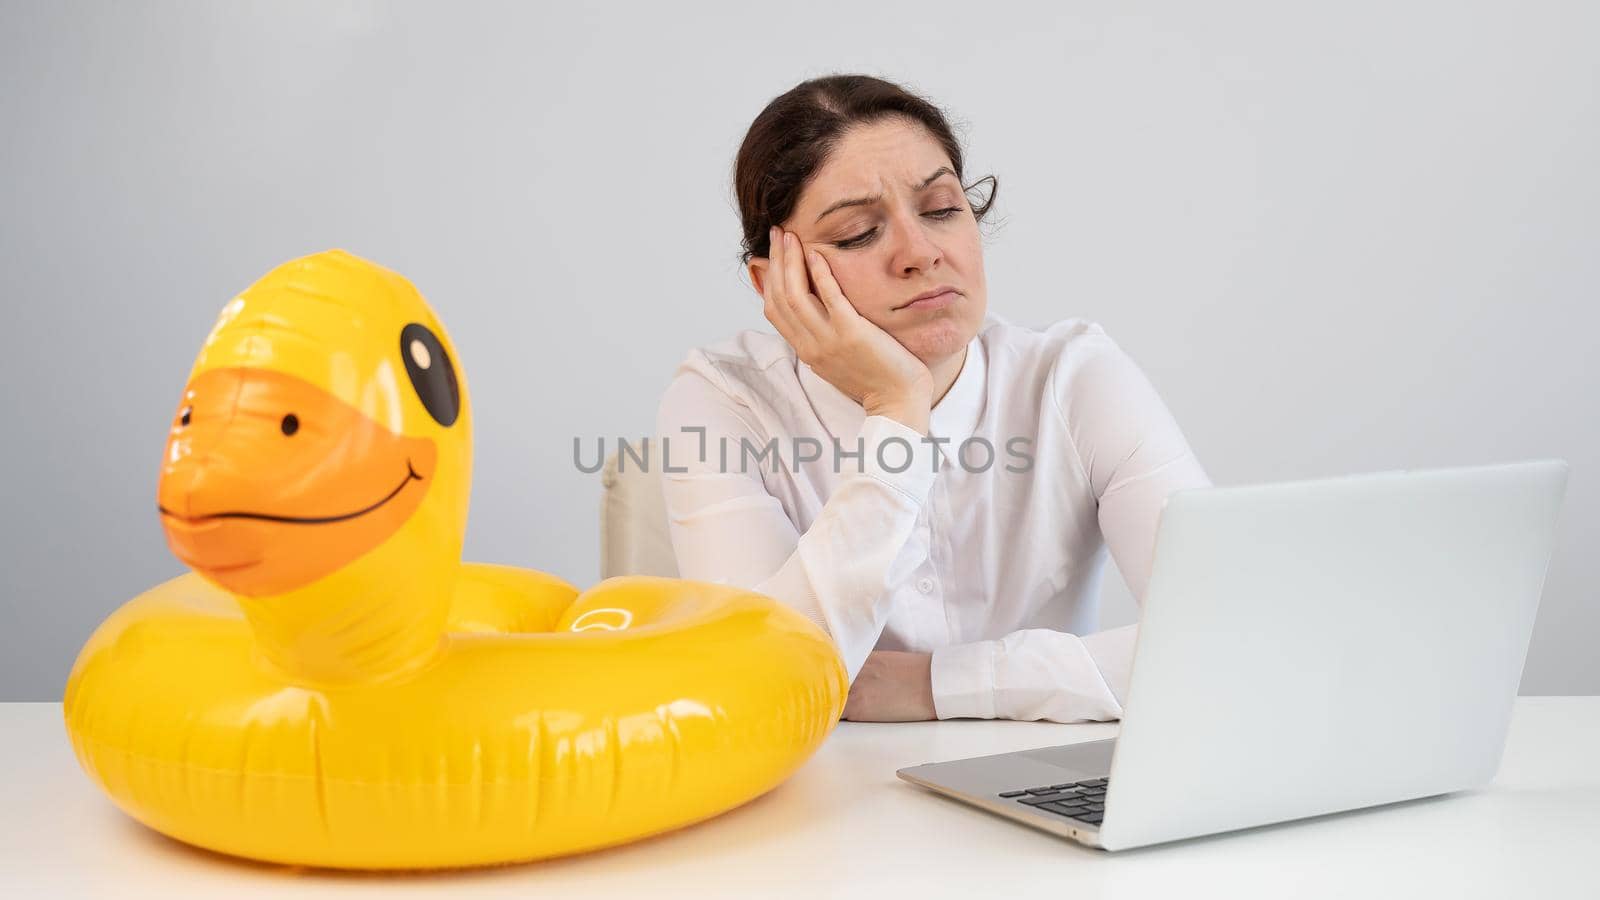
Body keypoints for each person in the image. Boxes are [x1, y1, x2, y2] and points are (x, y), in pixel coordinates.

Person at [654, 74, 1211, 724]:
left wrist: (937, 685)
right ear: (775, 281)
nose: (920, 253)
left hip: (1044, 783)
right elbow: (757, 686)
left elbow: (1233, 641)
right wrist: (896, 407)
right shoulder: (722, 401)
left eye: (942, 208)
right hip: (821, 803)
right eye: (859, 231)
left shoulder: (1075, 377)